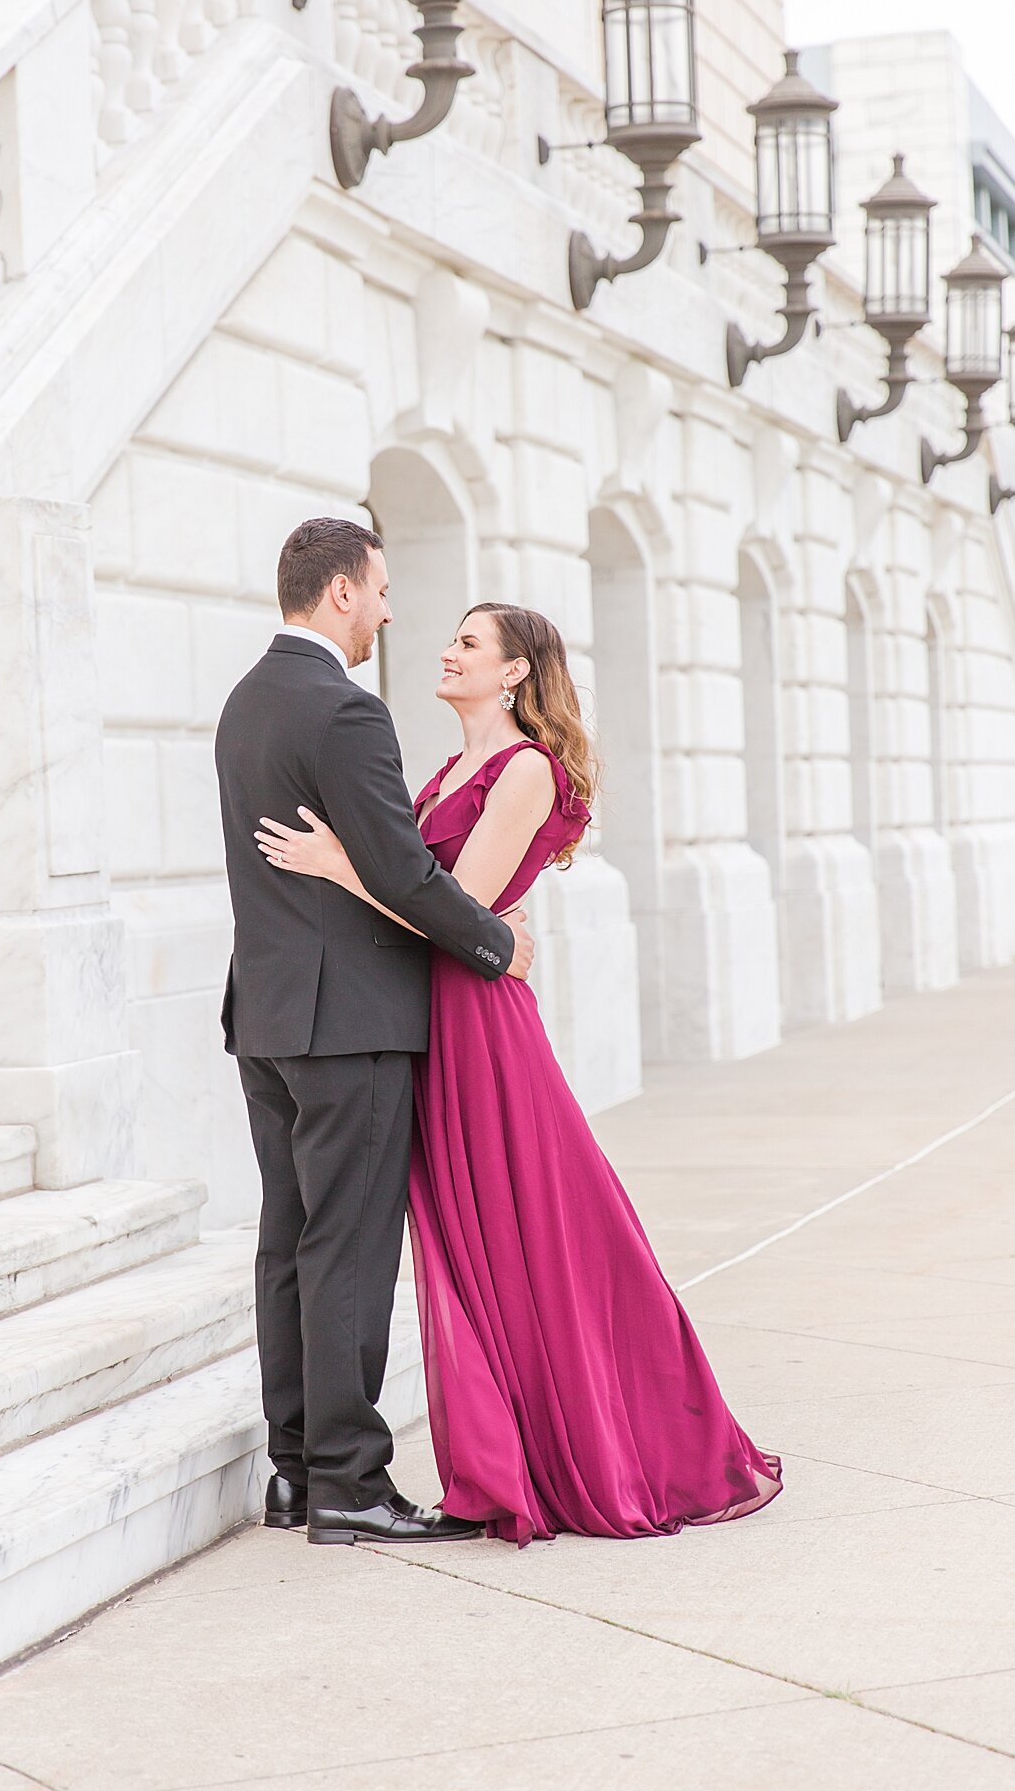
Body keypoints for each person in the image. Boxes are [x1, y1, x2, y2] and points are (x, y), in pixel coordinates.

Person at [255, 599, 783, 1545]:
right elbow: (438, 903)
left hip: (479, 1022)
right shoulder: (448, 769)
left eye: (468, 644)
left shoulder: (525, 770)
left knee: (535, 1229)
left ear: (512, 672)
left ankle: (595, 1440)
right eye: (449, 636)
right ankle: (506, 1446)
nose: (445, 651)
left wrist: (342, 867)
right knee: (471, 1245)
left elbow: (459, 906)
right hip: (430, 1011)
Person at [214, 520, 536, 1547]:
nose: (394, 611)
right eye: (385, 589)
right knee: (347, 1249)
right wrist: (496, 945)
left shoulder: (245, 702)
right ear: (342, 591)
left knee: (290, 1244)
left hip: (267, 1015)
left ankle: (298, 1472)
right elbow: (400, 872)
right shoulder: (345, 712)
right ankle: (353, 1481)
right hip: (347, 1020)